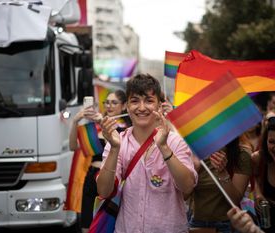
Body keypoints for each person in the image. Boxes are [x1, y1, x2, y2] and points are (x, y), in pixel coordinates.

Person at [96, 74, 197, 233]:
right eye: (135, 101)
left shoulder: (175, 142)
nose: (142, 107)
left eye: (149, 101)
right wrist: (115, 149)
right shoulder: (117, 142)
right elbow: (103, 191)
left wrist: (164, 148)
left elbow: (187, 187)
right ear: (127, 106)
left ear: (159, 106)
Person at [69, 90, 130, 233]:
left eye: (114, 102)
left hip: (112, 180)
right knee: (86, 223)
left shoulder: (127, 130)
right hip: (91, 178)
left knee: (107, 224)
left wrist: (101, 120)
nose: (109, 106)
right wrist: (75, 121)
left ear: (123, 106)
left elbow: (118, 135)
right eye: (106, 102)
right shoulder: (95, 128)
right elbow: (73, 146)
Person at [188, 136, 252, 233]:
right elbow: (184, 195)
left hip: (226, 224)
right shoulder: (194, 153)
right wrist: (194, 170)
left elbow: (234, 200)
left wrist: (222, 173)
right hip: (196, 223)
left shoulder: (241, 155)